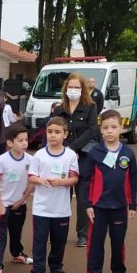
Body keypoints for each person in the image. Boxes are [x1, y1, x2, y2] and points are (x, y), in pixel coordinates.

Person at [78, 109, 137, 273]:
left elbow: (133, 178)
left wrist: (133, 204)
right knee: (96, 243)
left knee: (118, 241)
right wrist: (87, 204)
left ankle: (119, 272)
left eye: (114, 127)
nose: (110, 131)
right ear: (101, 130)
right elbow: (85, 180)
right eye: (106, 127)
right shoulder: (94, 152)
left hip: (120, 206)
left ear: (121, 128)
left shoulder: (128, 152)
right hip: (98, 207)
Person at [27, 116, 79, 273]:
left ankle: (56, 266)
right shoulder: (39, 155)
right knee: (39, 241)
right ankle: (37, 270)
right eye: (50, 132)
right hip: (41, 208)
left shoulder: (71, 155)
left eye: (57, 132)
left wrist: (62, 182)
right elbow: (31, 176)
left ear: (65, 134)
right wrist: (39, 180)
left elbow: (74, 179)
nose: (53, 135)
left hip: (61, 209)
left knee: (59, 241)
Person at [50, 72, 98, 246]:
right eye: (70, 87)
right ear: (65, 89)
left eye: (77, 87)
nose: (73, 90)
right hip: (62, 157)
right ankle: (58, 230)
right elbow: (53, 129)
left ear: (83, 89)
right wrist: (66, 150)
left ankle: (82, 234)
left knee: (82, 194)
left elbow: (92, 130)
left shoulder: (90, 106)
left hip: (83, 155)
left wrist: (74, 148)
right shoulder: (59, 108)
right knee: (62, 194)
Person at [0, 122, 34, 273]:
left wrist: (23, 199)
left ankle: (17, 254)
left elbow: (31, 181)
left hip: (19, 204)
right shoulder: (2, 160)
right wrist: (0, 203)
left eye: (26, 140)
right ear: (9, 143)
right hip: (3, 205)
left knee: (16, 232)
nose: (24, 143)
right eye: (20, 140)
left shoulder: (30, 159)